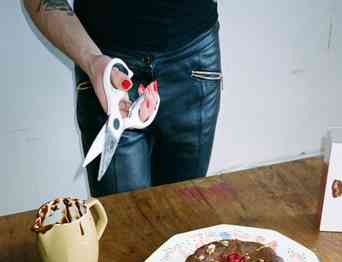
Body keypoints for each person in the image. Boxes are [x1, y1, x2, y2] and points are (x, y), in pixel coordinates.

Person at [23, 1, 223, 198]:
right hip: (106, 70)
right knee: (125, 220)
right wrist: (92, 62)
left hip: (193, 62)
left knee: (184, 215)